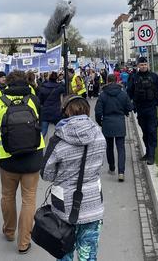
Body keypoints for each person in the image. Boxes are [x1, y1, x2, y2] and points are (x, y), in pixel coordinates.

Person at [41, 96, 106, 260]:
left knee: (64, 252)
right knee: (88, 253)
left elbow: (46, 174)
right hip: (92, 202)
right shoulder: (99, 134)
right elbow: (99, 163)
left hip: (64, 204)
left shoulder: (58, 139)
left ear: (65, 113)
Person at [0, 70, 45, 254]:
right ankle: (24, 242)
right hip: (33, 156)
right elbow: (41, 123)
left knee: (7, 196)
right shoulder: (34, 100)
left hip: (8, 158)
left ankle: (9, 231)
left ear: (7, 83)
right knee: (29, 199)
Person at [127, 57, 158, 165]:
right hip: (140, 109)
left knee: (152, 131)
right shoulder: (134, 78)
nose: (143, 66)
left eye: (145, 64)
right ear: (138, 66)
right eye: (141, 65)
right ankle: (148, 152)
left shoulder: (153, 76)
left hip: (151, 108)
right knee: (145, 132)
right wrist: (129, 105)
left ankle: (151, 155)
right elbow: (129, 93)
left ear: (148, 65)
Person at [96, 74, 132, 180]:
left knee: (109, 147)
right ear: (116, 80)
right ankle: (121, 172)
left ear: (107, 81)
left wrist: (100, 122)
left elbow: (98, 111)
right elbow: (129, 107)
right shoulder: (122, 93)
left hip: (107, 122)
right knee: (121, 148)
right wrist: (125, 111)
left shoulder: (102, 95)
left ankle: (112, 168)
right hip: (120, 122)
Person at [38, 71, 65, 138]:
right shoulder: (60, 87)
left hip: (45, 112)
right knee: (60, 130)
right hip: (56, 111)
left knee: (43, 131)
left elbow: (40, 101)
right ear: (56, 78)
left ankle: (39, 145)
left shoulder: (43, 88)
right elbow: (62, 97)